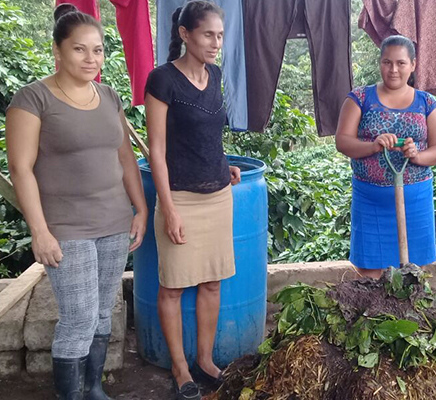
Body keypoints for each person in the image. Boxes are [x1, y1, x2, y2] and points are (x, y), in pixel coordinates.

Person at [6, 4, 147, 399]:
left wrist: (141, 209)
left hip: (114, 222)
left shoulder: (108, 95)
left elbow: (125, 157)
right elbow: (20, 169)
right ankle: (70, 395)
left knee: (103, 312)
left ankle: (93, 388)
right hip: (65, 228)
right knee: (78, 317)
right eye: (79, 49)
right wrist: (40, 232)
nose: (91, 58)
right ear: (57, 51)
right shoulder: (32, 99)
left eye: (98, 50)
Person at [144, 2, 241, 399]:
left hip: (218, 193)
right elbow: (157, 149)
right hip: (180, 197)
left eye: (219, 35)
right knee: (172, 287)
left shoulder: (214, 74)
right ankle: (179, 367)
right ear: (185, 35)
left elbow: (208, 135)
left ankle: (204, 360)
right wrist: (168, 208)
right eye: (208, 35)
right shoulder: (162, 80)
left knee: (212, 283)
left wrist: (226, 165)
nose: (216, 43)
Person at [335, 35, 436, 279]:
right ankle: (378, 317)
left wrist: (417, 155)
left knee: (414, 272)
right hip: (370, 199)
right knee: (369, 271)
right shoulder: (360, 99)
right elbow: (343, 141)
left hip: (415, 200)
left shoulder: (427, 103)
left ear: (413, 65)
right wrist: (373, 146)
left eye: (401, 63)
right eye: (387, 62)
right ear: (380, 64)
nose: (393, 70)